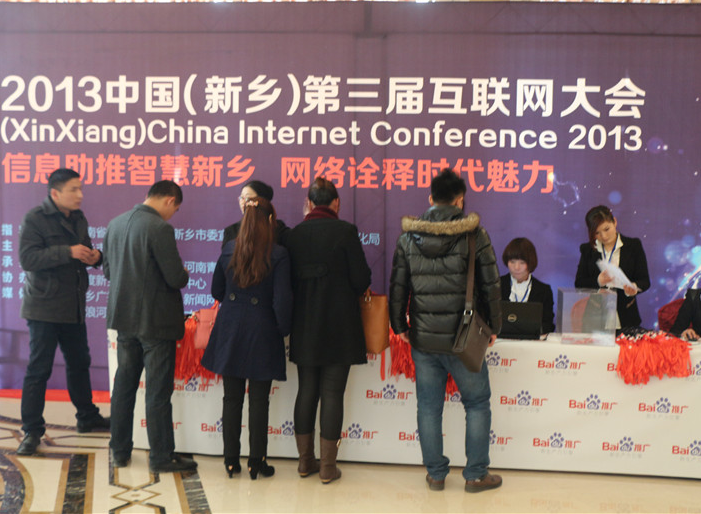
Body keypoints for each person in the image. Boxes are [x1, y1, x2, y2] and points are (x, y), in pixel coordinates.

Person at [389, 168, 503, 493]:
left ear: (431, 198)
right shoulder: (474, 235)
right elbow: (491, 285)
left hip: (424, 339)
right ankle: (476, 475)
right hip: (464, 338)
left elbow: (397, 287)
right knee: (477, 404)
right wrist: (494, 326)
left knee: (428, 407)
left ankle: (436, 474)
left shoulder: (408, 238)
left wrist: (399, 326)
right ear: (460, 200)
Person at [103, 180, 196, 473]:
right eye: (175, 209)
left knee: (123, 387)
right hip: (155, 323)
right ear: (169, 200)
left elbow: (108, 271)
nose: (173, 215)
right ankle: (160, 457)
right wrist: (184, 272)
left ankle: (120, 451)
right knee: (157, 392)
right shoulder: (159, 228)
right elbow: (176, 278)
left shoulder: (115, 223)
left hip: (124, 320)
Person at [16, 168, 110, 456]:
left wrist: (96, 257)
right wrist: (67, 252)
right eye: (74, 189)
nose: (80, 195)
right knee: (39, 369)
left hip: (73, 305)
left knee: (80, 362)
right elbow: (28, 259)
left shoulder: (78, 218)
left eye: (80, 189)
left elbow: (86, 250)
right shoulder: (35, 218)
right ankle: (32, 430)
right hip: (44, 308)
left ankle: (87, 416)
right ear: (55, 193)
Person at [284, 177, 371, 484]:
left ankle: (304, 462)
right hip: (340, 326)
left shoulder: (294, 235)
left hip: (304, 325)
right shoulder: (346, 231)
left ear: (309, 203)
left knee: (306, 390)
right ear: (336, 203)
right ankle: (328, 467)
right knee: (332, 393)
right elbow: (361, 280)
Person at [201, 197, 292, 480]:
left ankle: (230, 461)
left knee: (231, 398)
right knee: (259, 401)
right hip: (262, 329)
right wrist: (284, 329)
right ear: (270, 221)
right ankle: (257, 462)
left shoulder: (229, 248)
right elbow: (282, 300)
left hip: (230, 326)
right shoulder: (278, 254)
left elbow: (216, 290)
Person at [574, 205, 650, 331]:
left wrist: (634, 287)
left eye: (606, 229)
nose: (603, 236)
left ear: (614, 222)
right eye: (597, 233)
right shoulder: (588, 250)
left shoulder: (633, 246)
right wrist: (598, 281)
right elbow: (579, 283)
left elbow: (645, 281)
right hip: (595, 318)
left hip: (626, 316)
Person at [500, 237, 555, 335]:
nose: (516, 267)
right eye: (512, 262)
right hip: (500, 340)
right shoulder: (496, 286)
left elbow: (548, 324)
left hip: (531, 341)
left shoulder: (543, 290)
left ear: (530, 263)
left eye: (522, 262)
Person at [222, 180, 289, 246]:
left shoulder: (277, 228)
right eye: (241, 197)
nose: (243, 202)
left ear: (262, 201)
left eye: (248, 198)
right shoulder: (231, 231)